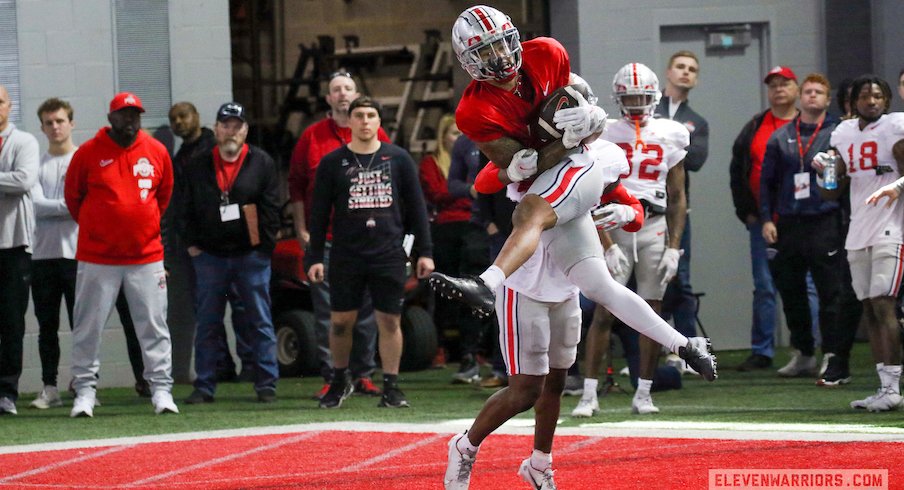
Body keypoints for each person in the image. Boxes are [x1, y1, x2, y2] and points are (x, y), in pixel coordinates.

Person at [444, 137, 642, 490]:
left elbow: (630, 206)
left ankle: (539, 463)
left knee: (556, 382)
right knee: (524, 391)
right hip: (526, 282)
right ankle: (465, 445)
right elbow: (484, 181)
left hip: (566, 281)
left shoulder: (599, 156)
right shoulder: (530, 150)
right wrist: (511, 169)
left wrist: (627, 214)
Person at [573, 63, 689, 417]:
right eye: (630, 98)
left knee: (651, 313)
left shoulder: (671, 132)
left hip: (653, 226)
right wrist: (606, 244)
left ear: (654, 97)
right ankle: (588, 394)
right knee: (604, 313)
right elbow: (591, 191)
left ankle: (644, 392)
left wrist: (673, 246)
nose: (637, 104)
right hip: (613, 222)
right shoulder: (605, 131)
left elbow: (679, 194)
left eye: (643, 98)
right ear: (617, 99)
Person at [307, 97, 434, 409]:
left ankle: (391, 386)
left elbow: (418, 210)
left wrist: (425, 252)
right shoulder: (332, 162)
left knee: (389, 322)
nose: (365, 121)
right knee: (339, 322)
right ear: (349, 122)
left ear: (379, 122)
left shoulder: (399, 159)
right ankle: (338, 381)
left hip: (388, 253)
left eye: (371, 116)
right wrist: (311, 258)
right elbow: (319, 214)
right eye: (359, 116)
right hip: (345, 255)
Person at [65, 92, 178, 417]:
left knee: (154, 327)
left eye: (135, 114)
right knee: (88, 326)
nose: (130, 120)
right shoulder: (88, 153)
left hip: (145, 257)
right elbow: (74, 198)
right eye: (124, 114)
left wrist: (140, 225)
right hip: (97, 257)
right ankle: (84, 393)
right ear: (111, 117)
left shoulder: (156, 151)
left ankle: (161, 391)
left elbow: (163, 196)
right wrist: (99, 228)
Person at [287, 71, 390, 398]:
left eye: (348, 88)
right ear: (328, 99)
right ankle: (334, 377)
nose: (342, 94)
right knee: (328, 313)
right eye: (336, 90)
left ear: (356, 94)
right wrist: (302, 229)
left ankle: (363, 375)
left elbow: (392, 183)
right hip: (327, 240)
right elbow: (297, 187)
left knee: (365, 313)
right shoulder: (311, 137)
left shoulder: (378, 135)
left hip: (368, 239)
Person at [178, 102, 281, 404]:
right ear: (216, 129)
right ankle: (205, 385)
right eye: (226, 126)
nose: (231, 131)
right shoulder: (198, 165)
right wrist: (192, 244)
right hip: (209, 257)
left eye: (237, 126)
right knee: (208, 322)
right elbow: (184, 208)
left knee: (259, 320)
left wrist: (264, 248)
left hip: (251, 257)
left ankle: (266, 384)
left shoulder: (261, 163)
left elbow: (271, 207)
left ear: (245, 130)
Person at [812, 75, 904, 411]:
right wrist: (825, 171)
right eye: (865, 95)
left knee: (884, 304)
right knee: (868, 308)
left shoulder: (896, 127)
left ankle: (893, 386)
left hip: (892, 227)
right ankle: (884, 387)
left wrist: (897, 186)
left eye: (878, 95)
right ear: (853, 102)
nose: (872, 101)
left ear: (888, 100)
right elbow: (831, 192)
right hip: (859, 228)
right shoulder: (843, 133)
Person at [759, 74, 848, 379]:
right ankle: (804, 352)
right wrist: (768, 219)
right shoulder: (781, 136)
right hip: (789, 224)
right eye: (808, 91)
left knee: (829, 292)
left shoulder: (838, 134)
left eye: (818, 92)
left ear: (827, 99)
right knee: (791, 291)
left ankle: (832, 353)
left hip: (824, 221)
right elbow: (766, 183)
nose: (812, 96)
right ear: (800, 98)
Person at [166, 101, 254, 383]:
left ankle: (251, 365)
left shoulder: (212, 148)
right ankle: (221, 366)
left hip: (235, 244)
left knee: (243, 307)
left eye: (184, 116)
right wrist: (189, 241)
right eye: (174, 119)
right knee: (208, 311)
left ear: (198, 118)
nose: (179, 122)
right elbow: (181, 205)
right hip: (202, 249)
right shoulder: (180, 158)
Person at [731, 66, 801, 371]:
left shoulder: (809, 125)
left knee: (805, 286)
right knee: (764, 286)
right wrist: (745, 211)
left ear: (796, 88)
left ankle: (805, 349)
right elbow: (738, 169)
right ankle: (762, 350)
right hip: (762, 219)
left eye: (785, 83)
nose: (778, 89)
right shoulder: (756, 126)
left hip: (802, 221)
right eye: (773, 85)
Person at [655, 51, 710, 370]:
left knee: (681, 280)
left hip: (676, 209)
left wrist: (661, 143)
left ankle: (688, 352)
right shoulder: (649, 107)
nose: (686, 73)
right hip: (646, 206)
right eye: (680, 67)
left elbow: (697, 160)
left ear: (696, 78)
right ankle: (647, 350)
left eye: (692, 70)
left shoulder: (697, 121)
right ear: (668, 72)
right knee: (647, 280)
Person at [430, 125, 493, 384]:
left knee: (516, 292)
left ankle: (505, 362)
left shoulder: (515, 132)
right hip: (478, 223)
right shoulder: (466, 143)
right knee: (473, 289)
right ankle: (469, 356)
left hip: (511, 221)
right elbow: (452, 184)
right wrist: (471, 189)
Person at [0, 84, 39, 415]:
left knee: (12, 322)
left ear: (9, 106)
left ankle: (7, 392)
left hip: (14, 246)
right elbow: (10, 182)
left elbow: (24, 180)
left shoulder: (24, 141)